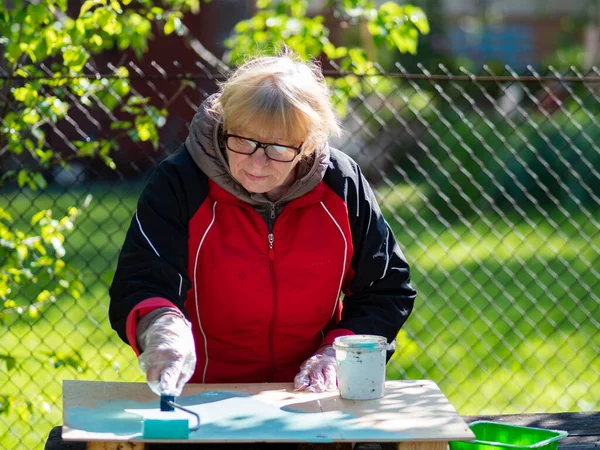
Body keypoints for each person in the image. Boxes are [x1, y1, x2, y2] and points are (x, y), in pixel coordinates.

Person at [108, 51, 417, 398]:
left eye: (277, 148)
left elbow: (386, 288)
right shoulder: (181, 181)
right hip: (202, 397)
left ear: (308, 145)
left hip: (311, 397)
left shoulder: (342, 185)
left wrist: (336, 353)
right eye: (243, 141)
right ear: (226, 126)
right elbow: (142, 281)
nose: (256, 162)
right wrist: (163, 329)